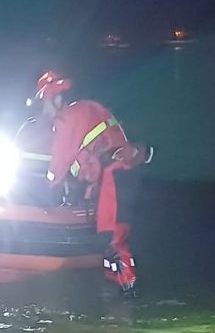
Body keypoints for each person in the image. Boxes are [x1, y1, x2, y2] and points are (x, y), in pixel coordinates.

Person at [32, 71, 151, 292]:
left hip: (113, 177)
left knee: (113, 237)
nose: (44, 110)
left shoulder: (67, 118)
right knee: (112, 236)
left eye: (45, 103)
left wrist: (46, 188)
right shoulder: (87, 109)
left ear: (57, 98)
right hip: (121, 175)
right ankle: (114, 290)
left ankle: (128, 294)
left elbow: (60, 161)